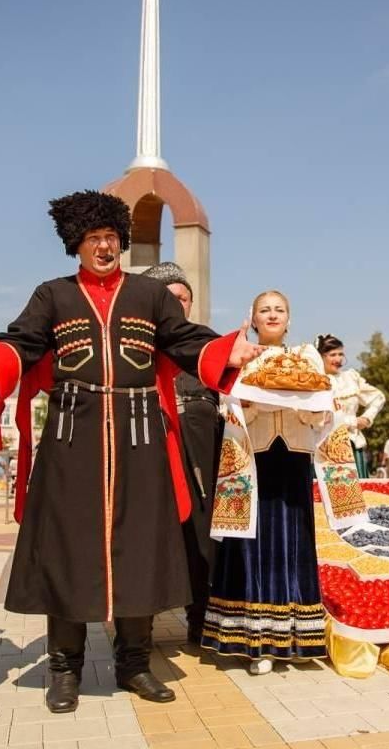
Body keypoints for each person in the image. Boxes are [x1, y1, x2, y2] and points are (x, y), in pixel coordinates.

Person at [0, 191, 261, 713]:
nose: (104, 246)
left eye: (112, 238)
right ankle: (65, 669)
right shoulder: (53, 294)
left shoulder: (149, 295)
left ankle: (134, 664)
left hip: (139, 437)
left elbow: (185, 340)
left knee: (138, 550)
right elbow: (22, 343)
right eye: (94, 239)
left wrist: (229, 350)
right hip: (74, 438)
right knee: (69, 552)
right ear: (77, 244)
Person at [201, 291, 332, 675]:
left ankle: (292, 638)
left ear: (289, 319)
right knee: (253, 546)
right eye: (265, 310)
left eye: (279, 309)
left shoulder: (306, 357)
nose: (272, 315)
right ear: (253, 319)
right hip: (252, 461)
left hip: (292, 459)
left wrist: (296, 401)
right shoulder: (242, 356)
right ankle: (255, 640)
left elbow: (320, 406)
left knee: (293, 543)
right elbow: (228, 406)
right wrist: (256, 402)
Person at [141, 261, 223, 643]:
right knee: (149, 543)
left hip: (201, 467)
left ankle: (200, 619)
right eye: (169, 298)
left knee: (200, 542)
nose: (178, 304)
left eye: (184, 297)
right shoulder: (136, 351)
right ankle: (138, 630)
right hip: (149, 461)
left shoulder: (205, 349)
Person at [317, 333, 386, 477]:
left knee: (359, 495)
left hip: (352, 444)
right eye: (333, 355)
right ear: (321, 356)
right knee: (325, 496)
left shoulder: (351, 378)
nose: (338, 359)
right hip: (324, 447)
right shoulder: (314, 381)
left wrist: (367, 418)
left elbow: (378, 397)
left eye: (341, 354)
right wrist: (352, 421)